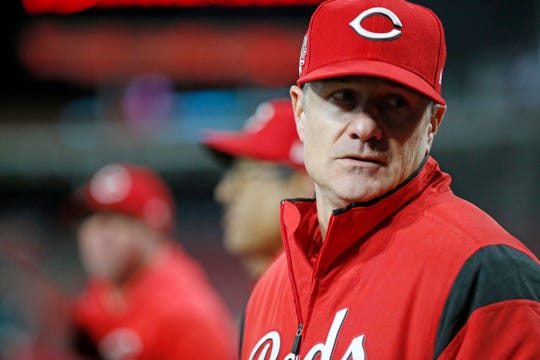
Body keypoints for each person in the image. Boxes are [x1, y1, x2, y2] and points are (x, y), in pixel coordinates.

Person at [239, 0, 540, 359]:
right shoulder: (269, 292)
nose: (365, 127)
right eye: (344, 98)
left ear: (432, 124)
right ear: (300, 111)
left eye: (395, 102)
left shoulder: (487, 275)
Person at [69, 163, 237, 360]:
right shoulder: (100, 292)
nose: (97, 237)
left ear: (152, 230)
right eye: (89, 222)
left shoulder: (185, 314)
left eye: (114, 222)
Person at [202, 98, 314, 280]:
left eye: (245, 178)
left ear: (302, 186)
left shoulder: (318, 294)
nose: (223, 193)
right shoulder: (272, 289)